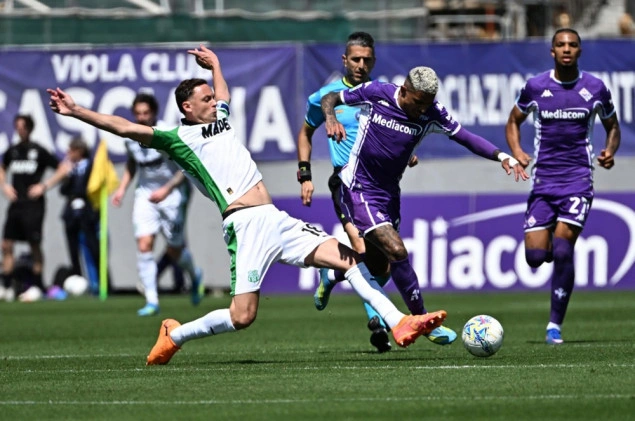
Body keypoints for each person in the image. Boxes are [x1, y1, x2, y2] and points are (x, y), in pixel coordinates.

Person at [47, 45, 449, 365]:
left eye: (211, 96)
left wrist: (216, 66)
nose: (214, 101)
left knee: (350, 260)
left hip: (275, 218)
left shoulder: (220, 117)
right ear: (188, 108)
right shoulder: (176, 139)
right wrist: (76, 110)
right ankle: (175, 334)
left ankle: (398, 322)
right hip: (244, 225)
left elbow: (223, 93)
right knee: (242, 316)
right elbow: (124, 127)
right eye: (205, 99)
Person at [317, 66, 528, 346]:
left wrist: (502, 156)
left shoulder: (432, 112)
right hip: (357, 187)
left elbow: (465, 137)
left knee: (380, 266)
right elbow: (330, 97)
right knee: (397, 250)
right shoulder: (377, 93)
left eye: (427, 104)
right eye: (418, 102)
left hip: (388, 196)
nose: (422, 109)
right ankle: (423, 320)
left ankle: (333, 273)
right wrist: (331, 117)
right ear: (404, 91)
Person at [297, 31, 412, 352]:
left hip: (380, 185)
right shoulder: (326, 96)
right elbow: (305, 133)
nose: (361, 65)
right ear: (345, 60)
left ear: (373, 61)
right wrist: (305, 174)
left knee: (382, 263)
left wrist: (406, 153)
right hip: (346, 184)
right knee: (361, 243)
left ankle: (332, 275)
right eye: (356, 59)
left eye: (367, 60)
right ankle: (378, 321)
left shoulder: (383, 95)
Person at [505, 28, 621, 345]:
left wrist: (610, 151)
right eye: (561, 44)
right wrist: (517, 151)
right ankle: (549, 240)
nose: (566, 49)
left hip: (578, 180)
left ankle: (554, 325)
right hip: (544, 182)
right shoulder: (536, 86)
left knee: (562, 249)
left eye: (572, 45)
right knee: (534, 257)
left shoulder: (595, 88)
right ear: (552, 51)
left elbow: (612, 126)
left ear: (580, 51)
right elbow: (513, 120)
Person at [111, 93, 203, 316]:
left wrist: (167, 189)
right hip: (145, 195)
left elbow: (185, 167)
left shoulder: (167, 133)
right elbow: (132, 164)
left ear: (154, 113)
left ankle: (195, 275)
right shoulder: (130, 136)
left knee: (174, 249)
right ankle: (152, 301)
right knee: (144, 244)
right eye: (138, 113)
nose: (142, 118)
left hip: (172, 195)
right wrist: (122, 189)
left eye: (146, 113)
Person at [0, 115, 69, 302]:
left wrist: (44, 186)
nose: (20, 130)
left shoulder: (38, 151)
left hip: (34, 206)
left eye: (23, 127)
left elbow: (63, 169)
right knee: (6, 244)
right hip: (16, 205)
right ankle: (6, 286)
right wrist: (5, 186)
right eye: (17, 127)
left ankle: (37, 285)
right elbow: (2, 167)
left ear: (29, 129)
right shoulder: (13, 151)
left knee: (34, 244)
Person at [58, 137, 110, 294]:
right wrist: (66, 176)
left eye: (71, 151)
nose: (68, 154)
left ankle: (102, 283)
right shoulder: (70, 169)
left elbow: (93, 188)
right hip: (71, 214)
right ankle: (78, 280)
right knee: (73, 250)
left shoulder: (93, 167)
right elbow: (63, 190)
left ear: (79, 151)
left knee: (94, 248)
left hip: (88, 214)